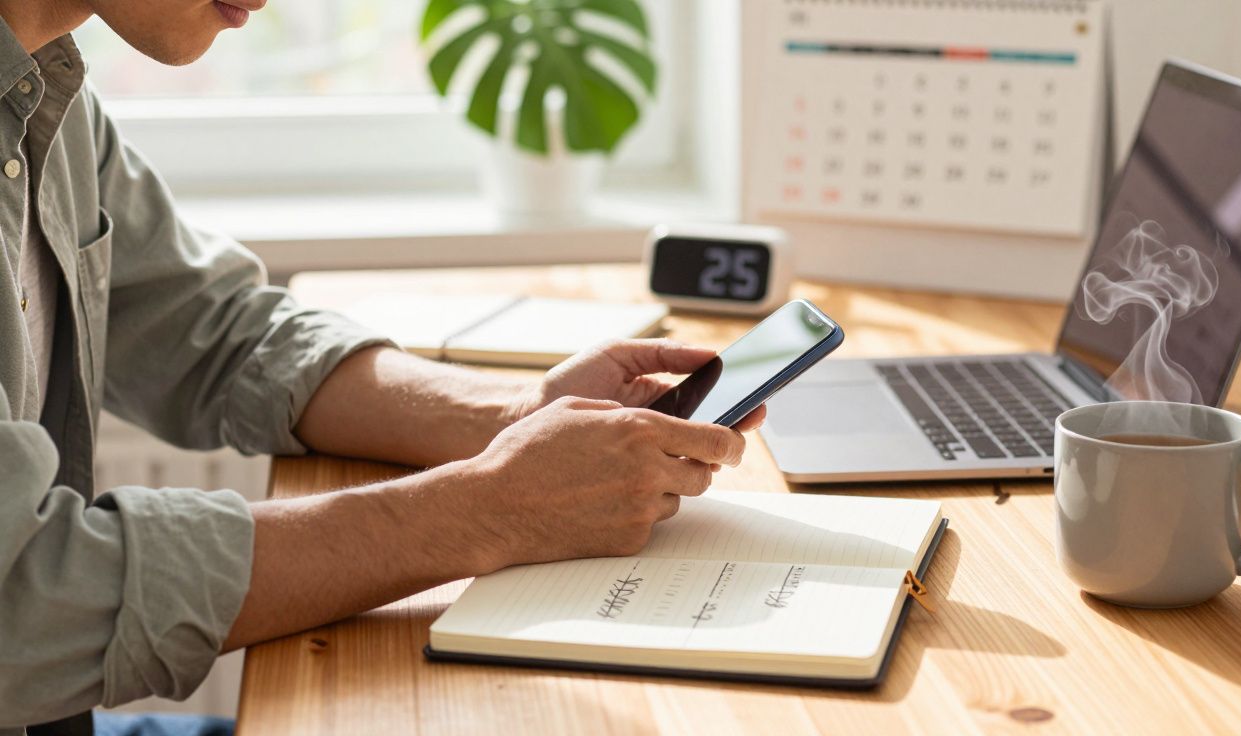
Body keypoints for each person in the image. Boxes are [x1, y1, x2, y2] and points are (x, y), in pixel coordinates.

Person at [0, 2, 765, 735]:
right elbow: (22, 597)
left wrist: (510, 419)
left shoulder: (46, 92)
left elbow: (214, 330)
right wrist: (491, 507)